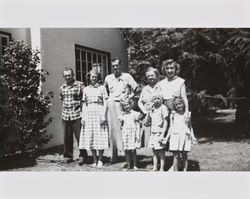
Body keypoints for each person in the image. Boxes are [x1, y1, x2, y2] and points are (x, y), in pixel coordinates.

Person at [104, 57, 139, 163]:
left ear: (120, 65)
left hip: (123, 106)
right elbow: (105, 91)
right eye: (113, 65)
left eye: (117, 65)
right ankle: (113, 156)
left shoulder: (127, 76)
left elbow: (137, 89)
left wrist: (129, 97)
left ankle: (127, 155)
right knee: (112, 130)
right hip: (111, 105)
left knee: (124, 129)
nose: (115, 67)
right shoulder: (108, 78)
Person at [79, 69, 109, 168]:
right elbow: (84, 104)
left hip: (99, 111)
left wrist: (104, 115)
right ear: (89, 77)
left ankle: (100, 159)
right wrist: (83, 117)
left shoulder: (102, 88)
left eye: (95, 77)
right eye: (92, 77)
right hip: (89, 113)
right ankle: (94, 159)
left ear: (98, 78)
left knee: (99, 136)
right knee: (91, 136)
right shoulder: (86, 89)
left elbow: (105, 102)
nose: (93, 78)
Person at [59, 67, 88, 164]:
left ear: (73, 75)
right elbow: (62, 99)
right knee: (67, 137)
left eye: (69, 75)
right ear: (63, 76)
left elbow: (84, 99)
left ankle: (83, 156)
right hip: (65, 115)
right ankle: (68, 156)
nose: (67, 77)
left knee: (80, 137)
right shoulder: (62, 87)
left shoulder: (80, 85)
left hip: (77, 114)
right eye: (65, 76)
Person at [162, 97, 197, 171]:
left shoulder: (188, 114)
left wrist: (193, 137)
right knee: (176, 155)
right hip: (175, 136)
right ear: (174, 106)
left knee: (184, 155)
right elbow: (171, 127)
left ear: (183, 104)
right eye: (176, 105)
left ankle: (184, 171)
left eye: (180, 104)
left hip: (185, 136)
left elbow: (190, 127)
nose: (178, 106)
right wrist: (166, 137)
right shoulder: (173, 115)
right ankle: (176, 172)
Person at [138, 67, 160, 147]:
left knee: (157, 135)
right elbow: (139, 102)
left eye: (152, 75)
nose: (150, 77)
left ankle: (159, 156)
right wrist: (144, 111)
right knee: (148, 137)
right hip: (146, 115)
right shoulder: (145, 89)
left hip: (158, 114)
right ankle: (152, 157)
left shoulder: (161, 87)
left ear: (157, 76)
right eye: (148, 76)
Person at [147, 90, 169, 171]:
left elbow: (166, 122)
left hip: (160, 133)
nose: (156, 100)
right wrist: (149, 112)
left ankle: (162, 168)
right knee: (154, 152)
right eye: (154, 99)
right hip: (153, 133)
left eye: (158, 98)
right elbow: (148, 121)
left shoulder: (163, 108)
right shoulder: (153, 109)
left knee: (161, 152)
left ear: (161, 99)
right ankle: (155, 167)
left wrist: (163, 134)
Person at [118, 97, 141, 170]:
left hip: (133, 133)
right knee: (126, 150)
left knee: (133, 150)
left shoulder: (134, 113)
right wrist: (122, 135)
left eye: (127, 105)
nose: (126, 107)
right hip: (126, 134)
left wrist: (137, 135)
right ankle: (128, 165)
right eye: (124, 106)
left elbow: (137, 125)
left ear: (130, 104)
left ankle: (135, 165)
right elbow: (121, 126)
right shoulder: (122, 115)